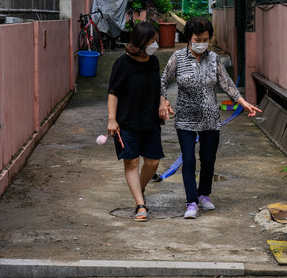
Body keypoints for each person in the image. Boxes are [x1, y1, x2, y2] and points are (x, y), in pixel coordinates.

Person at [160, 16, 261, 219]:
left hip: (210, 118)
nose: (201, 43)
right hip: (185, 118)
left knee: (208, 159)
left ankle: (204, 194)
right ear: (189, 38)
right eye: (197, 39)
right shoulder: (178, 58)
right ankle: (191, 202)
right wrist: (162, 100)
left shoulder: (214, 59)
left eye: (205, 39)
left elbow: (228, 84)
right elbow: (162, 81)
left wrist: (244, 103)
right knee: (188, 160)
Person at [107, 21, 171, 222]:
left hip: (150, 121)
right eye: (152, 41)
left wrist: (163, 103)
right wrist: (111, 120)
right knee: (131, 162)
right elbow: (113, 93)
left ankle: (139, 188)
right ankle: (140, 204)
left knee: (152, 162)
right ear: (141, 41)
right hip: (127, 122)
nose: (155, 44)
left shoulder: (153, 62)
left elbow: (158, 87)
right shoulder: (122, 64)